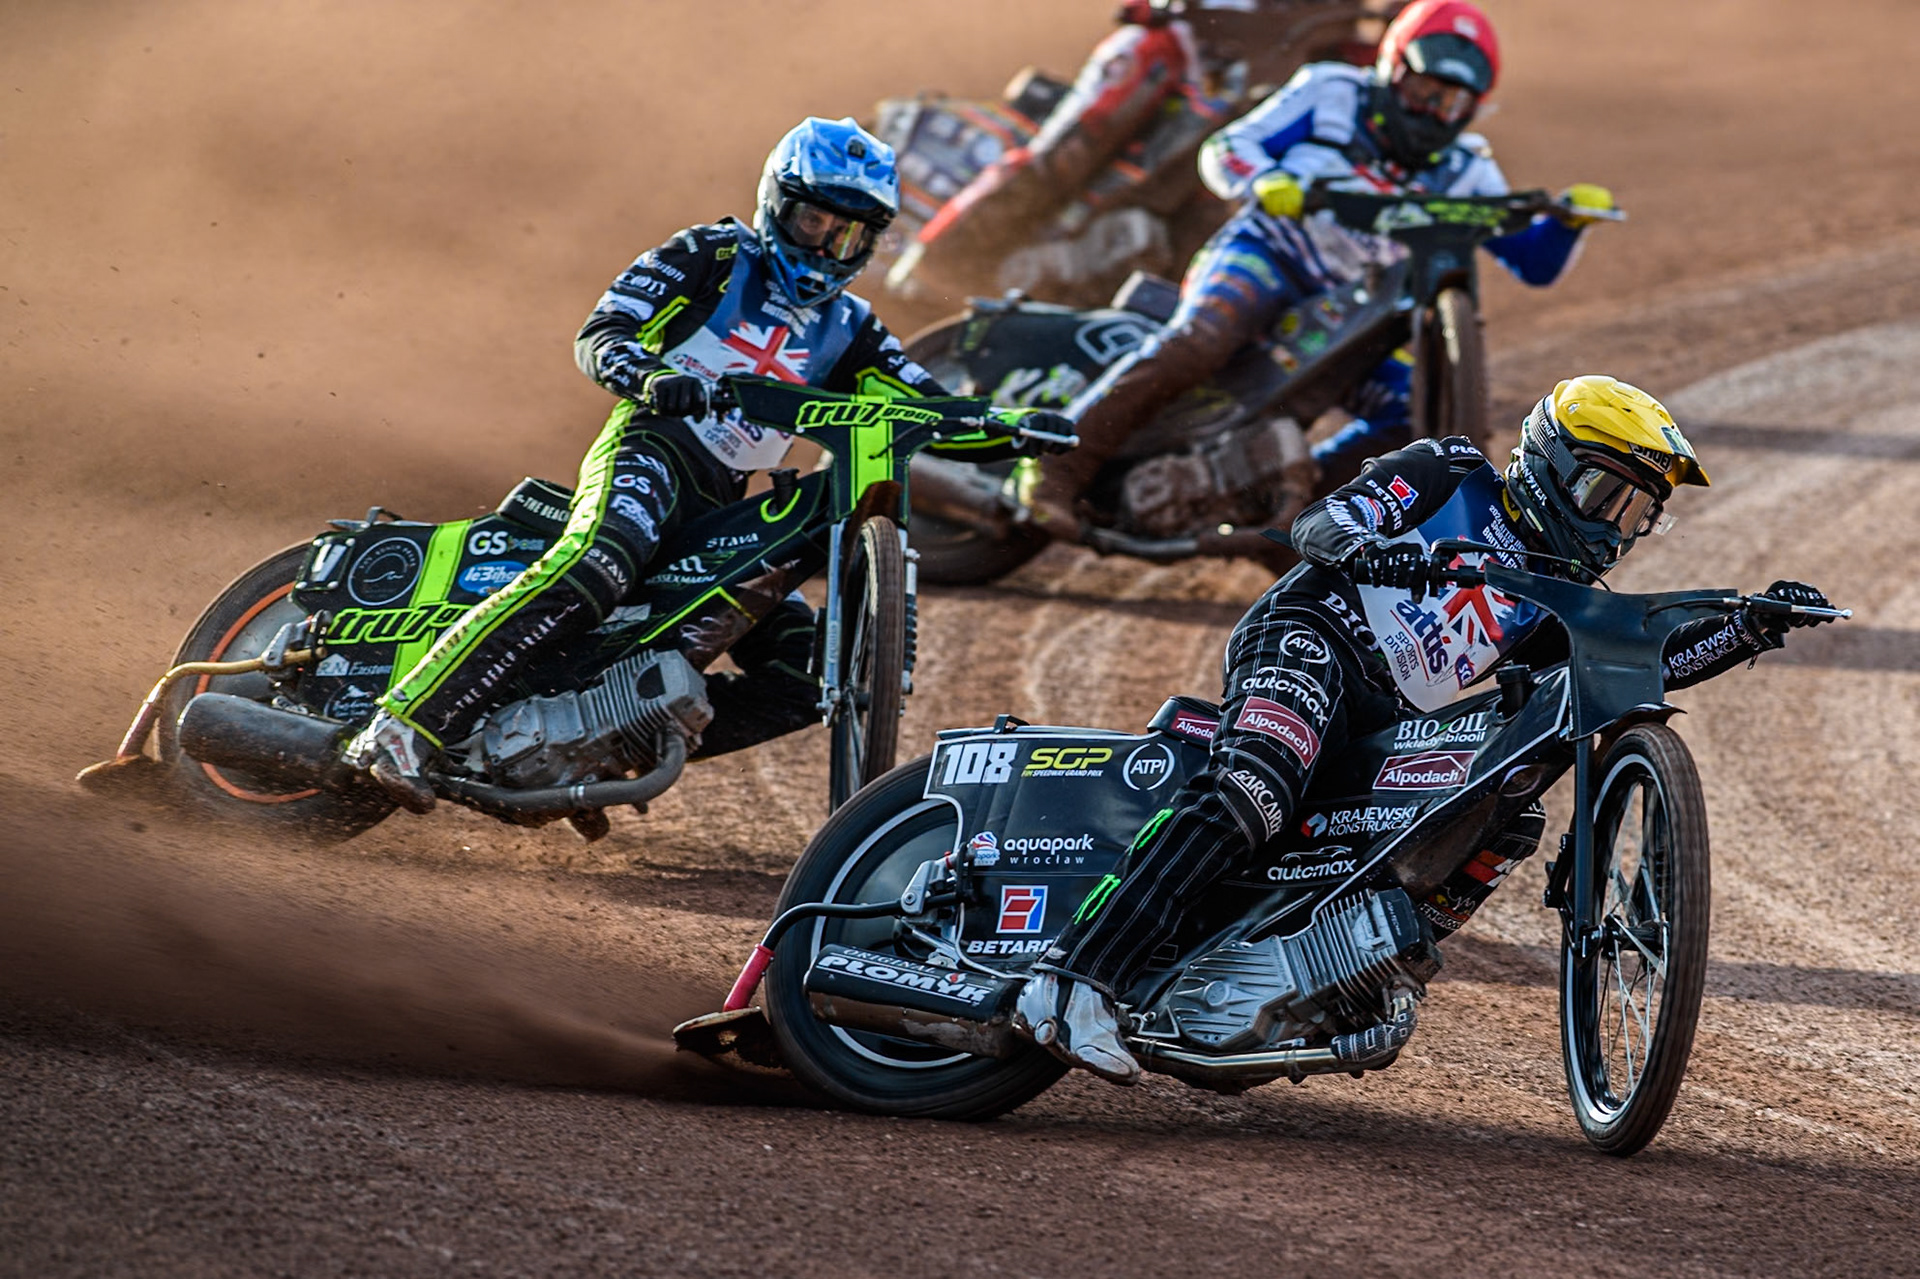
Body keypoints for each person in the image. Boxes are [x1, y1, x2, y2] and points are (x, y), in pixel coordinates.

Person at [1014, 374, 1837, 1083]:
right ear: (1550, 461)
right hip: (1312, 634)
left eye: (1635, 514)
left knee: (1503, 809)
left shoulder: (1549, 588)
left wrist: (1749, 627)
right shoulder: (1450, 472)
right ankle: (1071, 978)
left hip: (1385, 714)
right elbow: (1321, 525)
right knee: (1256, 787)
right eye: (1604, 496)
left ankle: (1355, 971)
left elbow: (1632, 668)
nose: (1614, 528)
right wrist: (1377, 550)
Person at [345, 117, 1067, 813]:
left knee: (807, 674)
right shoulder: (714, 254)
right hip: (652, 449)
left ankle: (595, 750)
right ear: (776, 204)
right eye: (813, 220)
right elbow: (603, 332)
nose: (826, 244)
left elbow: (927, 406)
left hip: (722, 503)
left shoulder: (854, 329)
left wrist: (1014, 427)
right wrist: (653, 378)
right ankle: (403, 723)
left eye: (849, 231)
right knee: (602, 558)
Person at [1028, 0, 1613, 540]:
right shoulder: (1329, 90)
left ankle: (1304, 525)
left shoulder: (1468, 170)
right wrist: (1263, 179)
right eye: (1425, 90)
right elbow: (1226, 149)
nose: (1434, 112)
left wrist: (1568, 223)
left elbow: (1534, 264)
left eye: (1453, 102)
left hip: (1347, 314)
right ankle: (1055, 466)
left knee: (1409, 417)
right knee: (1200, 337)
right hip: (1266, 252)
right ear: (1393, 66)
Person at [907, 0, 1310, 301]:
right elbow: (1063, 156)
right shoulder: (1163, 42)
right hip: (1112, 225)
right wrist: (939, 261)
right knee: (1102, 200)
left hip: (1187, 252)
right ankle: (937, 273)